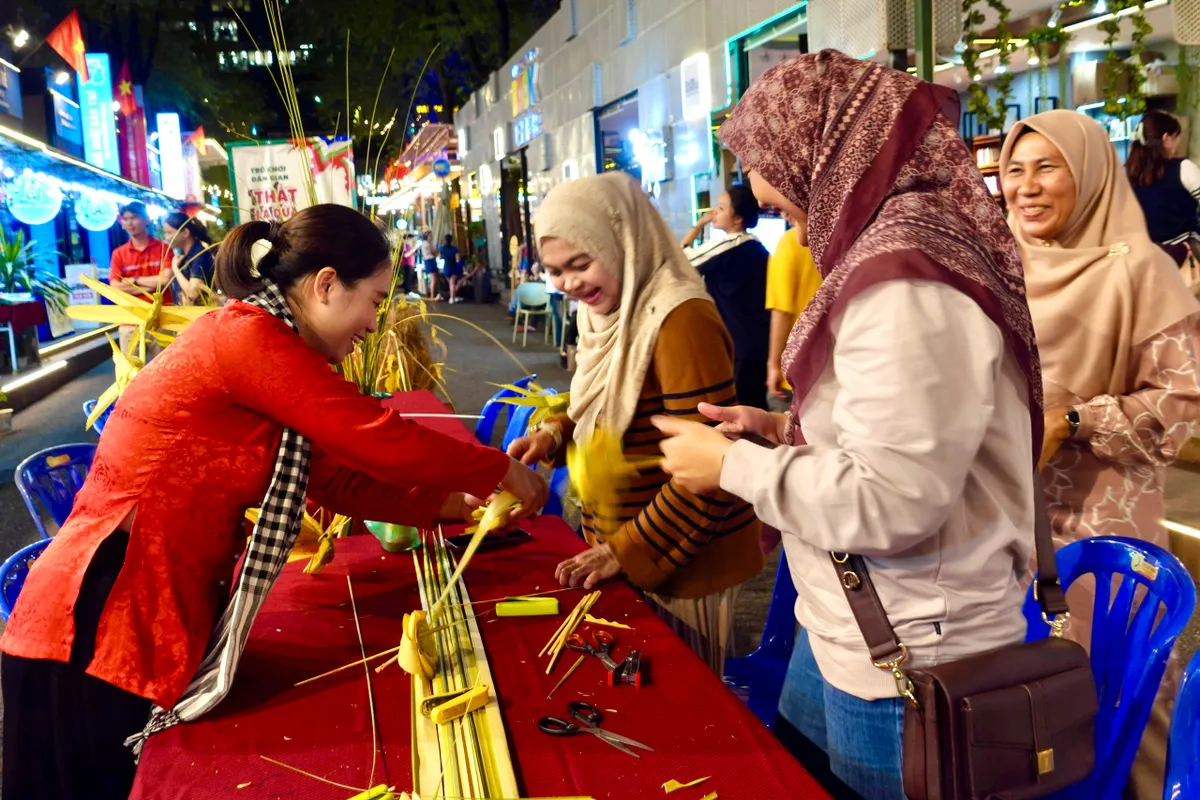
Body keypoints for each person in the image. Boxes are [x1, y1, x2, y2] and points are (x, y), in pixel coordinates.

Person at [0, 204, 548, 800]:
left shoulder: (267, 345)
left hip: (144, 596)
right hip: (105, 607)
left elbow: (332, 479)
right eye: (374, 297)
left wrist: (450, 504)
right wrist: (501, 468)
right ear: (326, 284)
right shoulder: (246, 337)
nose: (375, 319)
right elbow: (372, 433)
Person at [652, 51, 1044, 799]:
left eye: (789, 205)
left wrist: (730, 467)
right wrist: (778, 431)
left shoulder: (906, 281)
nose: (794, 235)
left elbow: (894, 497)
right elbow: (895, 437)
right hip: (856, 624)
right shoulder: (893, 253)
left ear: (827, 155)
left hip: (908, 655)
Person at [1001, 109, 1200, 800]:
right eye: (1015, 170)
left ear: (1088, 174)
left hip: (1101, 524)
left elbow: (1183, 405)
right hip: (1002, 520)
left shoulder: (1141, 271)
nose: (1027, 187)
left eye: (1047, 167)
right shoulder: (997, 268)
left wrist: (1080, 419)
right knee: (1021, 709)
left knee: (1117, 699)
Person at [507, 173, 763, 673]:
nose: (568, 284)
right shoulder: (605, 313)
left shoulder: (679, 318)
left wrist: (620, 553)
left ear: (622, 240)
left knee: (684, 707)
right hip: (626, 550)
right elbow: (605, 403)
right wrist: (556, 433)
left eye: (581, 263)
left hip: (683, 565)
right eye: (555, 271)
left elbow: (710, 468)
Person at [680, 185, 772, 410]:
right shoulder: (759, 248)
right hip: (759, 344)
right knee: (755, 410)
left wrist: (698, 225)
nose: (714, 213)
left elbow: (680, 262)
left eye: (721, 208)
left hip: (736, 345)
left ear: (738, 218)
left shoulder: (726, 246)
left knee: (735, 413)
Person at [1125, 110, 1200, 264]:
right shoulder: (1183, 168)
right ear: (1166, 139)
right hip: (1184, 257)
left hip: (1145, 257)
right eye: (1176, 137)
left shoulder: (1128, 175)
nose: (1178, 143)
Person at [765, 214, 822, 404]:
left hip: (795, 371)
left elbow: (782, 311)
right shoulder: (843, 241)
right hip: (831, 367)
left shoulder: (790, 242)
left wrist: (774, 365)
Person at [110, 201, 172, 357]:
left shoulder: (163, 248)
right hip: (130, 321)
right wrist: (151, 286)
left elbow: (165, 281)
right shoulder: (119, 254)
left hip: (161, 319)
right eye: (125, 219)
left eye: (134, 217)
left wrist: (135, 280)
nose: (129, 223)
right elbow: (115, 287)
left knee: (166, 370)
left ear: (147, 219)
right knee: (131, 373)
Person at [162, 211, 215, 305]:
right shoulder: (184, 255)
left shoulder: (199, 254)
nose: (166, 237)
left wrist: (175, 268)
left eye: (169, 232)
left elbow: (193, 293)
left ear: (185, 232)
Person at [440, 234, 465, 304]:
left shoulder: (442, 249)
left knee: (450, 283)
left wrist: (445, 257)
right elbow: (458, 259)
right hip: (454, 267)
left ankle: (452, 296)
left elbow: (439, 257)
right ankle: (452, 297)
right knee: (452, 283)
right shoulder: (455, 249)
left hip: (446, 267)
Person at [419, 229, 441, 299]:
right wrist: (436, 250)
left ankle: (433, 295)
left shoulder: (425, 243)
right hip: (430, 261)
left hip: (429, 261)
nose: (431, 237)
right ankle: (432, 296)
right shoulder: (426, 243)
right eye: (430, 236)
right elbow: (433, 252)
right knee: (434, 279)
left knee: (434, 279)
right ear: (427, 236)